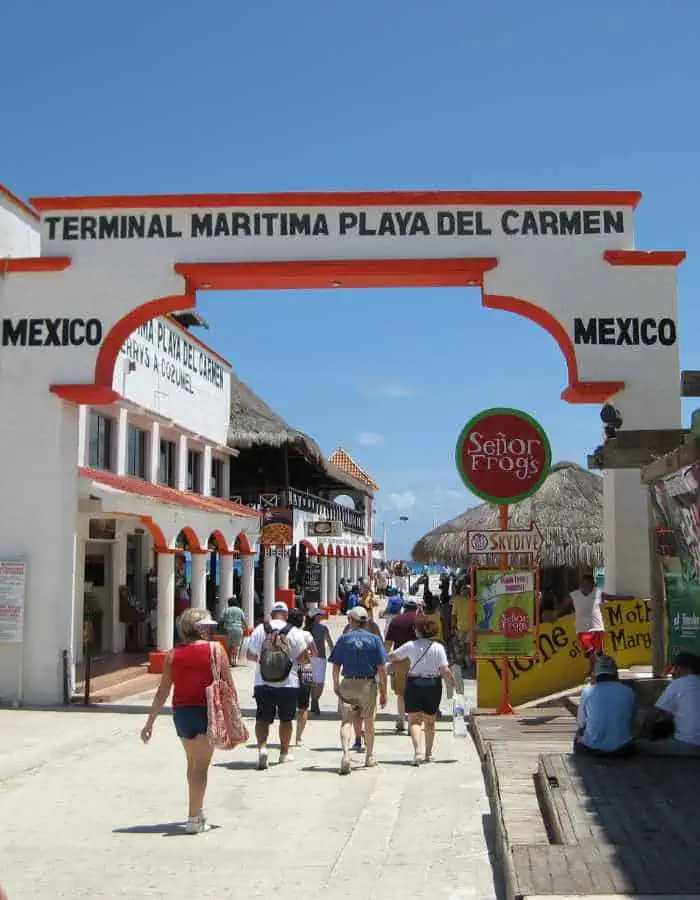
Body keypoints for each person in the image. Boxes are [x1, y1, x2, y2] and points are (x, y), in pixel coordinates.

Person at [141, 609, 236, 834]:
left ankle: (197, 809)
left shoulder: (173, 655)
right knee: (201, 766)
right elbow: (228, 685)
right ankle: (194, 817)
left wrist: (150, 722)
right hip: (207, 711)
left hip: (182, 713)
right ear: (201, 628)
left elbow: (163, 691)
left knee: (192, 762)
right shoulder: (217, 650)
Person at [246, 601, 308, 769]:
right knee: (286, 719)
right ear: (287, 615)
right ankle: (284, 753)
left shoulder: (260, 629)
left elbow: (250, 655)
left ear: (271, 614)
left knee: (262, 718)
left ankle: (263, 749)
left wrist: (263, 659)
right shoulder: (294, 632)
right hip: (289, 683)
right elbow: (303, 659)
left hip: (262, 682)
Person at [388, 618, 455, 765]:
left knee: (413, 720)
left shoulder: (411, 645)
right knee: (430, 722)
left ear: (418, 631)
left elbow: (392, 656)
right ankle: (429, 754)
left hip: (414, 683)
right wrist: (453, 683)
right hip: (433, 684)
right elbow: (444, 670)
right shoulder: (438, 647)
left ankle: (418, 751)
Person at [330, 606, 388, 774]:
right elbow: (382, 668)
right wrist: (384, 691)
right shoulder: (375, 640)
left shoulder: (344, 639)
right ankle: (369, 756)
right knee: (369, 720)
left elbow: (335, 665)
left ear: (352, 621)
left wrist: (335, 683)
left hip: (348, 682)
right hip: (367, 685)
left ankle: (346, 754)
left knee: (346, 721)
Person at [574, 655, 636, 757]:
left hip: (593, 749)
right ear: (616, 674)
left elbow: (581, 723)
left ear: (595, 675)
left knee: (578, 735)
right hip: (623, 749)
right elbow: (631, 721)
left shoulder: (588, 691)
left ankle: (581, 761)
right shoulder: (629, 691)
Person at [639, 652, 700, 755]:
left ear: (687, 669)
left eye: (676, 668)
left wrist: (642, 734)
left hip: (689, 744)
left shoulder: (679, 683)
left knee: (638, 746)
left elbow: (653, 714)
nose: (672, 672)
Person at [385, 597, 421, 733]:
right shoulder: (420, 621)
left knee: (400, 693)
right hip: (417, 661)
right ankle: (415, 722)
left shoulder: (396, 621)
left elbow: (388, 643)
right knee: (416, 692)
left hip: (399, 661)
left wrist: (386, 659)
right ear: (416, 607)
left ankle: (401, 720)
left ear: (404, 607)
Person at [559, 574, 606, 678]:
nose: (585, 586)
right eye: (583, 584)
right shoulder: (574, 595)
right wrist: (555, 614)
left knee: (595, 652)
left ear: (592, 585)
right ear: (580, 584)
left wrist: (626, 598)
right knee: (590, 650)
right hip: (582, 629)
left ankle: (594, 673)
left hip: (597, 628)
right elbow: (564, 605)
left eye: (588, 584)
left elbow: (611, 597)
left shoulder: (597, 592)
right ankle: (594, 672)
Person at [287, 608, 316, 746]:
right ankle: (298, 737)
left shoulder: (285, 634)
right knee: (303, 705)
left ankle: (287, 734)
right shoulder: (307, 634)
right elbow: (315, 653)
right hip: (306, 670)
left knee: (288, 704)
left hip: (289, 671)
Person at [306, 607, 334, 715]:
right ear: (315, 617)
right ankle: (315, 700)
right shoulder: (323, 629)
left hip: (307, 658)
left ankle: (312, 700)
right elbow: (330, 643)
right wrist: (334, 654)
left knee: (311, 681)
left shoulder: (305, 629)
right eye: (319, 615)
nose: (321, 616)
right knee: (320, 682)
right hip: (320, 657)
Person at [219, 596, 247, 665]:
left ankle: (228, 660)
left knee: (229, 646)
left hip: (228, 629)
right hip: (238, 629)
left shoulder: (226, 610)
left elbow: (221, 619)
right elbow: (244, 620)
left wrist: (220, 627)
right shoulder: (240, 610)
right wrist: (246, 628)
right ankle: (234, 660)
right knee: (236, 646)